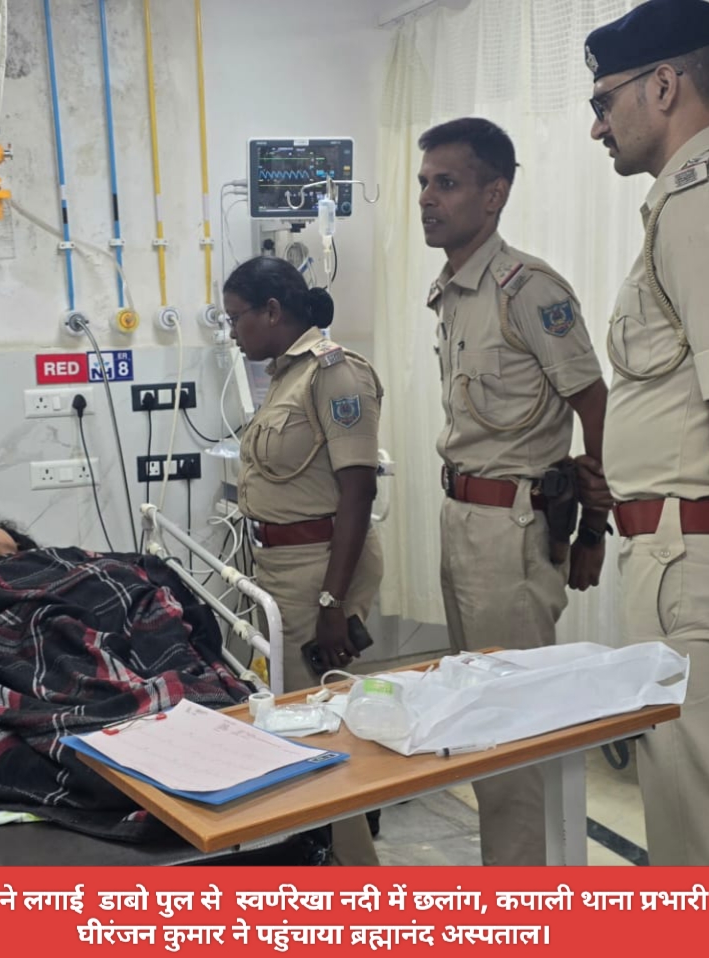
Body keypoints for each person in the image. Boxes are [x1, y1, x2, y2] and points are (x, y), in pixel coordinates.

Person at [583, 0, 709, 867]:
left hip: (695, 562)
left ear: (662, 86)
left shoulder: (696, 207)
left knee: (699, 842)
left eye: (603, 101)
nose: (595, 126)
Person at [417, 117, 610, 866]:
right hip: (461, 518)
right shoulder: (452, 292)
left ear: (493, 194)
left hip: (514, 529)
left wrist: (591, 530)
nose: (427, 199)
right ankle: (508, 877)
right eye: (424, 184)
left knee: (513, 727)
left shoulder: (528, 289)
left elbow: (594, 403)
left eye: (446, 183)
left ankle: (526, 897)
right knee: (477, 716)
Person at [224, 255, 384, 867]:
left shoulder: (335, 374)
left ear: (272, 311)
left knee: (316, 731)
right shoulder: (286, 376)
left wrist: (331, 602)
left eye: (237, 317)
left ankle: (354, 874)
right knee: (297, 724)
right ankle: (324, 856)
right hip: (283, 567)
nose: (233, 331)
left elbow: (358, 490)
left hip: (318, 567)